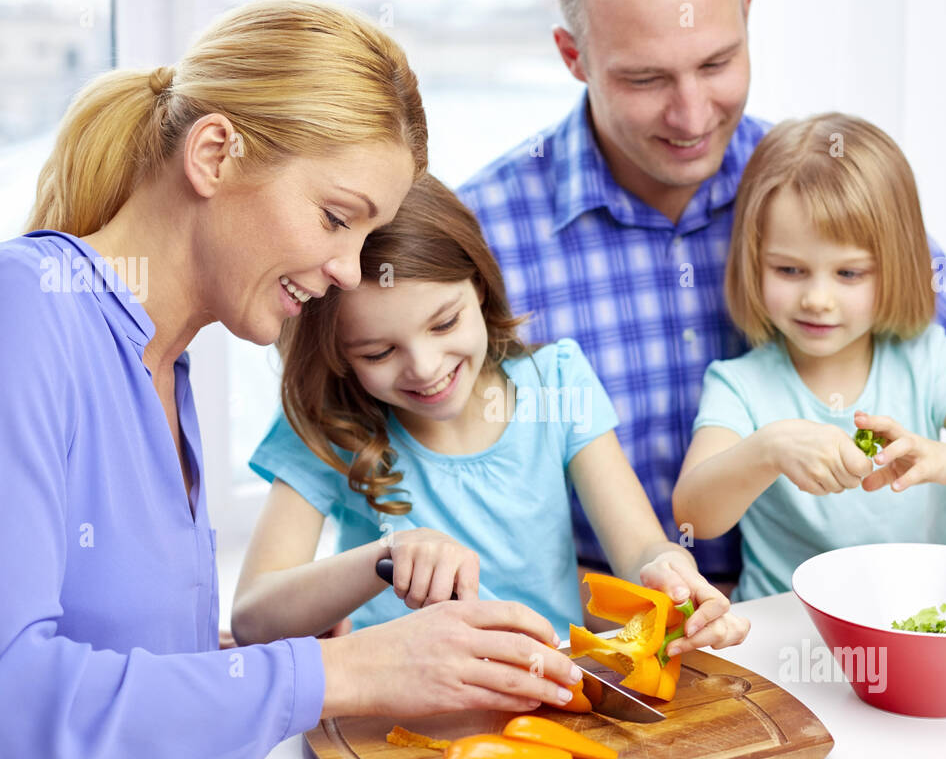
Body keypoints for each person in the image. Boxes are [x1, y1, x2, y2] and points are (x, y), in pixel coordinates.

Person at [0, 0, 582, 759]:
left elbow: (116, 669)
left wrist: (246, 663)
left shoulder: (164, 371)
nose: (349, 273)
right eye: (335, 218)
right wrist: (339, 672)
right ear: (214, 154)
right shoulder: (10, 310)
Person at [456, 0, 946, 593]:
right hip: (602, 621)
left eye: (716, 64)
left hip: (824, 619)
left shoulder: (809, 188)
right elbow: (418, 451)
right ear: (573, 55)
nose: (690, 115)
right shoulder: (482, 233)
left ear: (748, 14)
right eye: (645, 78)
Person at [234, 174, 748, 654]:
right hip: (396, 700)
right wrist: (383, 557)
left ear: (478, 286)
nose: (425, 368)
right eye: (377, 353)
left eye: (444, 323)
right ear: (340, 357)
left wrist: (670, 573)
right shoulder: (329, 420)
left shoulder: (557, 381)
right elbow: (254, 618)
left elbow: (638, 550)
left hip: (547, 683)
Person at [673, 114, 946, 599]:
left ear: (895, 268)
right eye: (789, 269)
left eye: (849, 274)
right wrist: (767, 450)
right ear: (754, 262)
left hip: (916, 623)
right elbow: (692, 515)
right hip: (783, 638)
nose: (817, 299)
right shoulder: (739, 384)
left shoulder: (925, 358)